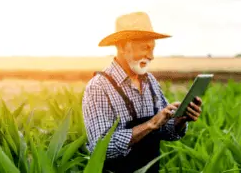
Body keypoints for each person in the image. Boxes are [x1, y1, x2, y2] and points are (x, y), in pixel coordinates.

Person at [82, 11, 203, 173]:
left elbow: (167, 132)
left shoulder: (150, 81)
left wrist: (180, 120)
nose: (151, 56)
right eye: (145, 48)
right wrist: (150, 124)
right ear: (123, 47)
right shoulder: (99, 87)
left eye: (153, 48)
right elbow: (101, 148)